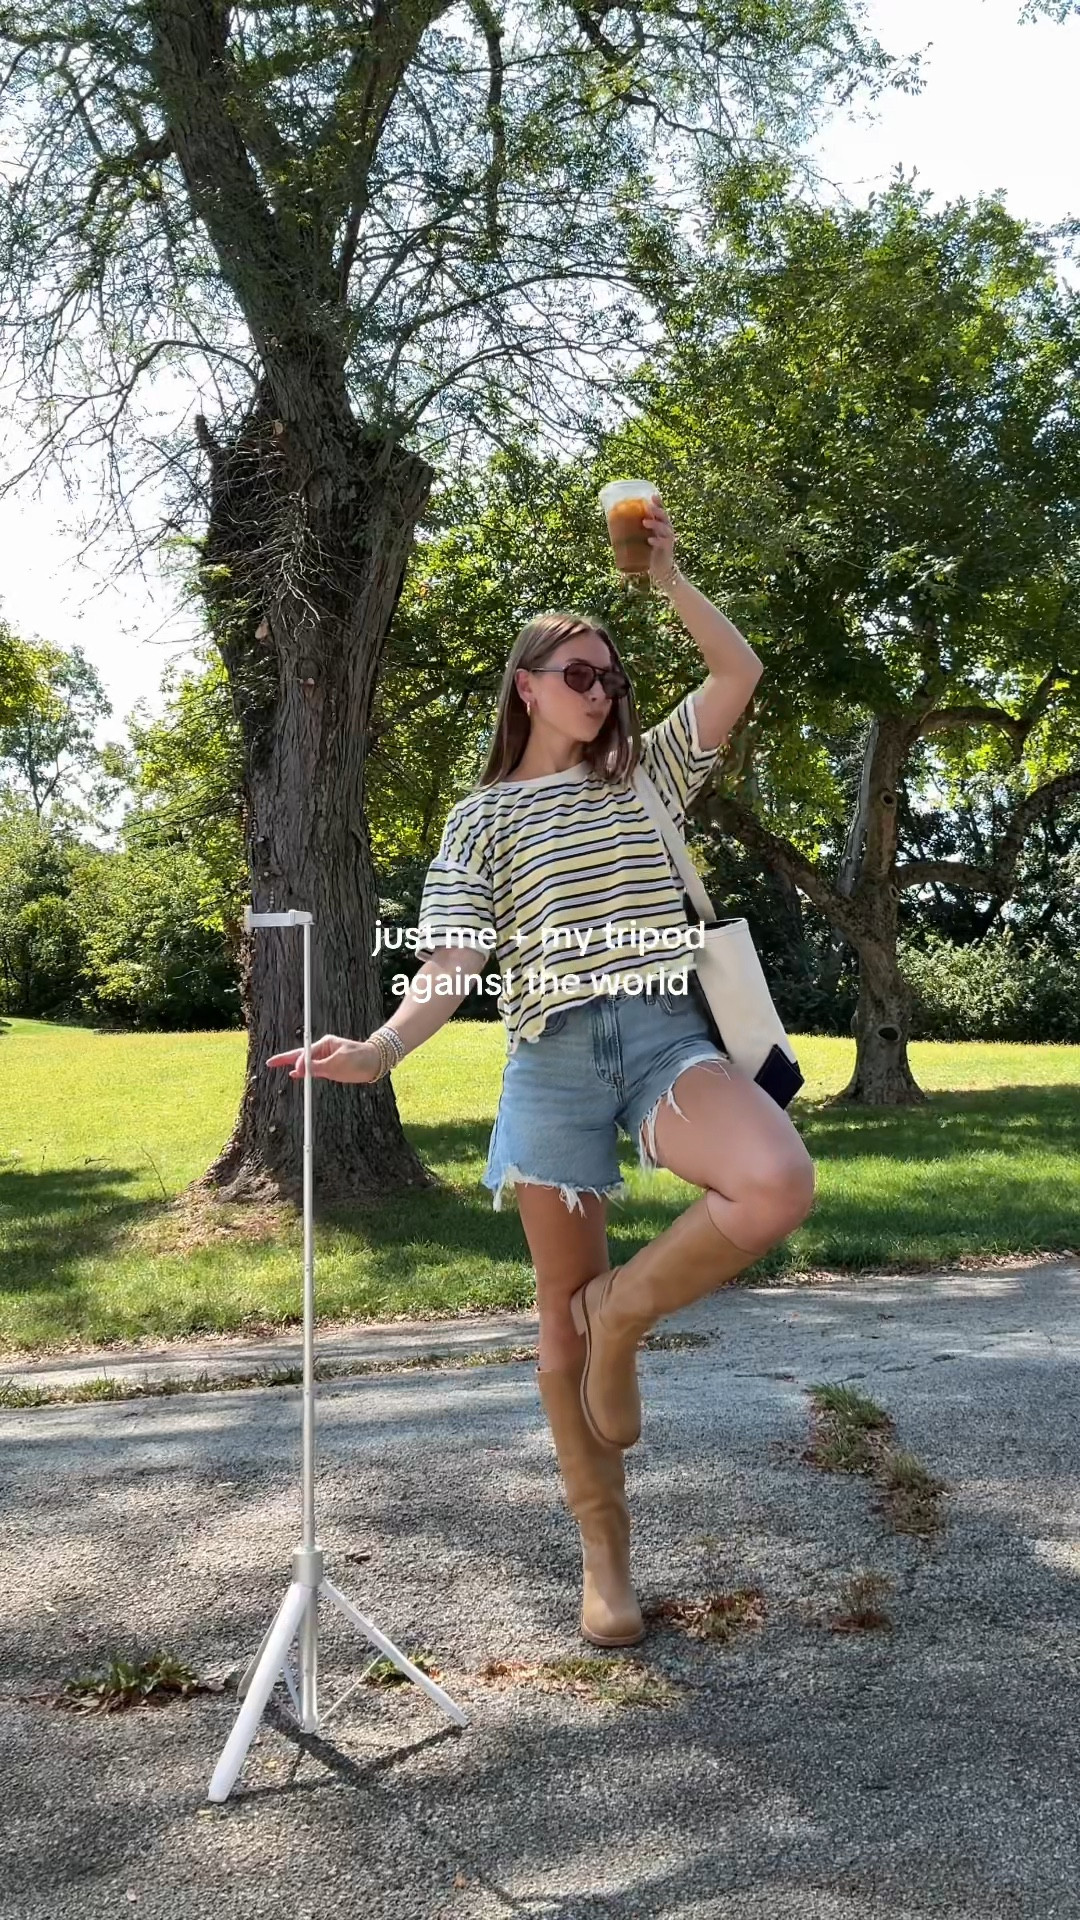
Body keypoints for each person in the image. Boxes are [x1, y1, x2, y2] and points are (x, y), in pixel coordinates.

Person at [267, 494, 816, 1651]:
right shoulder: (479, 821)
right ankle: (605, 1556)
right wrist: (381, 1048)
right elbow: (453, 959)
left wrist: (668, 581)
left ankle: (625, 1311)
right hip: (551, 1057)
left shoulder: (648, 775)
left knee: (774, 1182)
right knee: (554, 1324)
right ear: (526, 684)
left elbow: (738, 671)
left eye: (611, 676)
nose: (600, 690)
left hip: (664, 1036)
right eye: (578, 673)